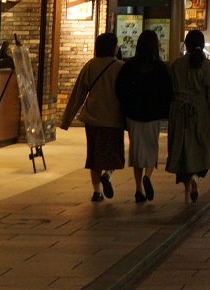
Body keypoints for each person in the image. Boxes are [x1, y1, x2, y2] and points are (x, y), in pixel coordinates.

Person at [59, 31, 125, 203]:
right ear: (114, 47)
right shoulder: (120, 67)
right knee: (113, 153)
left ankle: (97, 192)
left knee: (94, 156)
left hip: (93, 118)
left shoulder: (90, 65)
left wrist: (66, 120)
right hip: (113, 118)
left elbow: (78, 94)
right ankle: (108, 175)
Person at [166, 29, 210, 203]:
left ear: (187, 45)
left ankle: (186, 191)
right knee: (200, 150)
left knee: (183, 151)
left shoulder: (176, 65)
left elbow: (169, 90)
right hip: (201, 113)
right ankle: (196, 178)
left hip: (179, 112)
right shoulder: (206, 66)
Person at [114, 29, 172, 203]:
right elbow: (168, 92)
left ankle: (138, 188)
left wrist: (127, 107)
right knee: (152, 147)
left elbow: (120, 89)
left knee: (136, 149)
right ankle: (148, 175)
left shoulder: (129, 66)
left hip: (134, 114)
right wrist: (164, 110)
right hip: (153, 114)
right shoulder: (161, 67)